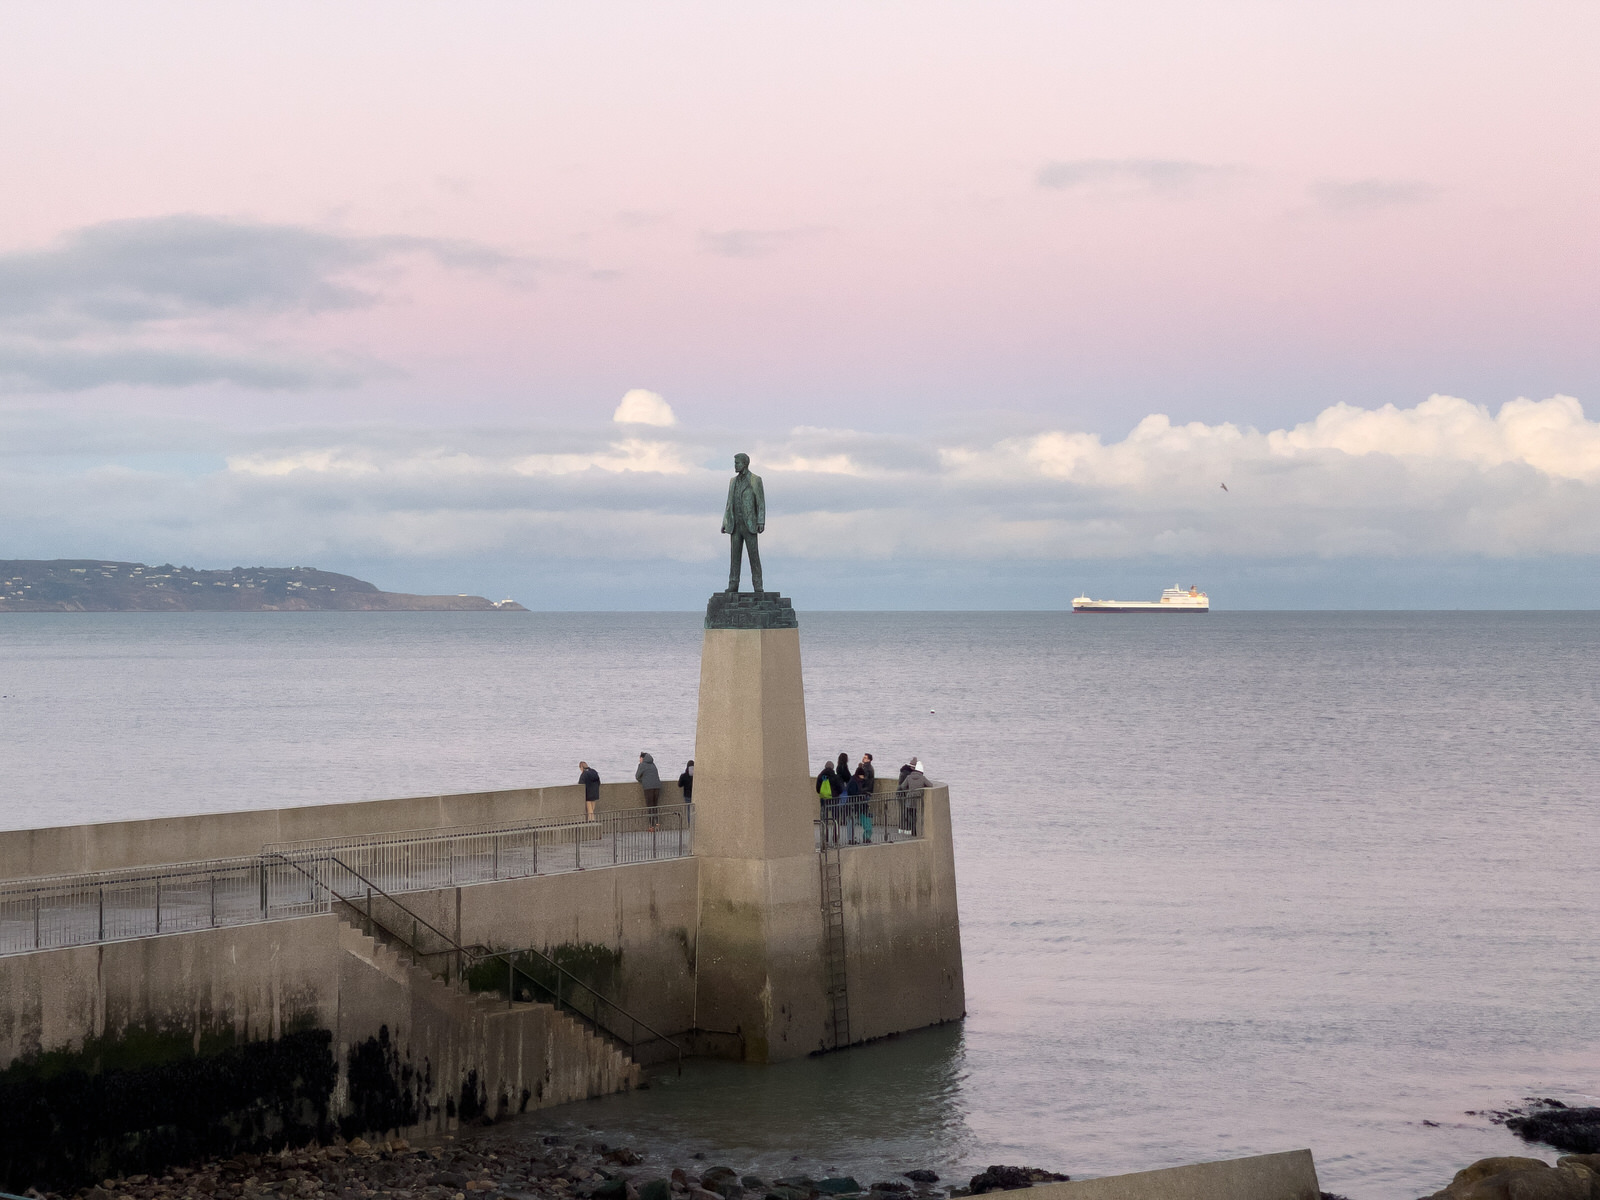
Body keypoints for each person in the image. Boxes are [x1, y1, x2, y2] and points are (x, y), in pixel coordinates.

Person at [722, 452, 766, 592]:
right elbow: (729, 503)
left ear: (744, 463)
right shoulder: (732, 481)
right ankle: (733, 584)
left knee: (753, 555)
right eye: (735, 463)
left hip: (750, 523)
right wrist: (725, 521)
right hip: (735, 524)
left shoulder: (755, 480)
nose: (735, 465)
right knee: (734, 556)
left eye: (737, 463)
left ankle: (757, 584)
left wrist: (761, 521)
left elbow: (761, 502)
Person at [899, 757, 929, 837]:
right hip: (918, 799)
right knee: (915, 815)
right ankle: (914, 831)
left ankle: (911, 830)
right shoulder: (922, 778)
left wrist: (908, 790)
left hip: (909, 798)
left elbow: (902, 786)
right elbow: (930, 785)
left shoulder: (909, 777)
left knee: (909, 814)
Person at [637, 752, 662, 830]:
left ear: (642, 758)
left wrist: (643, 781)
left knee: (650, 806)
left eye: (640, 758)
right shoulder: (653, 764)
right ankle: (657, 823)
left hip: (648, 788)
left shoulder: (642, 765)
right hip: (657, 786)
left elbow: (637, 776)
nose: (639, 760)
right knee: (655, 805)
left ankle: (651, 826)